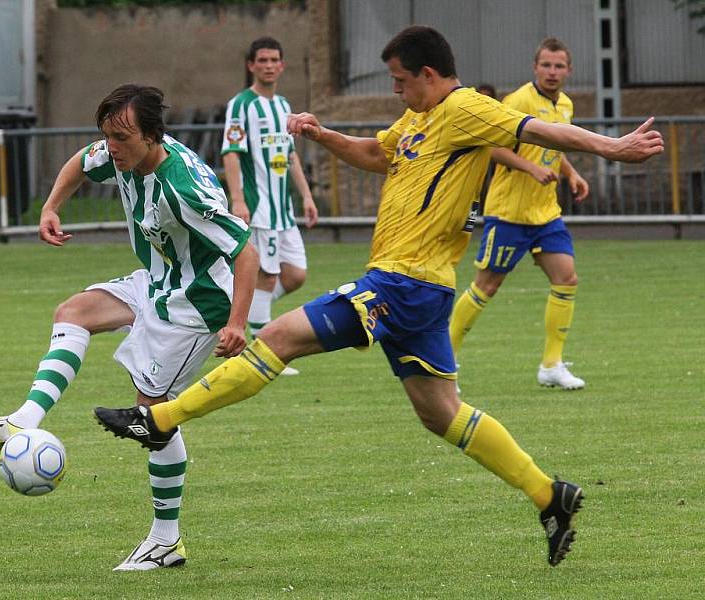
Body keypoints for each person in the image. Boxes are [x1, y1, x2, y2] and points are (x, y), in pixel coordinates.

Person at [94, 27, 663, 566]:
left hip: (403, 281)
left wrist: (615, 148)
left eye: (400, 80)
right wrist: (324, 137)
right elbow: (377, 154)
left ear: (430, 73)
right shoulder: (419, 120)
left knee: (280, 336)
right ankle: (548, 494)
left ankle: (161, 418)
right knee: (441, 413)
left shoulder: (464, 109)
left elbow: (539, 131)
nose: (395, 90)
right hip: (422, 287)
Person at [0, 84, 258, 571]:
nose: (111, 147)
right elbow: (82, 160)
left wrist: (238, 322)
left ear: (152, 136)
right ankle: (22, 421)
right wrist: (51, 206)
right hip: (157, 280)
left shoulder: (183, 188)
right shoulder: (122, 154)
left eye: (121, 138)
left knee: (152, 415)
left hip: (197, 304)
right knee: (72, 312)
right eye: (108, 136)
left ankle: (165, 541)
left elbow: (245, 251)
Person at [449, 38, 590, 390]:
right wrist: (529, 168)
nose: (552, 72)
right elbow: (491, 146)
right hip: (509, 213)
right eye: (546, 65)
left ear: (569, 70)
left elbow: (557, 142)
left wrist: (571, 173)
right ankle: (443, 357)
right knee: (487, 286)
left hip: (545, 214)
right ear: (534, 67)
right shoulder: (517, 102)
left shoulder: (566, 105)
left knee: (567, 279)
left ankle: (552, 365)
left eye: (559, 66)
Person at [222, 36, 319, 376]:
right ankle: (262, 351)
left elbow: (290, 155)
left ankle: (243, 312)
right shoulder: (241, 104)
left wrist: (305, 196)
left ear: (282, 65)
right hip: (258, 206)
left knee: (295, 274)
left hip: (283, 209)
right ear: (251, 65)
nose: (268, 65)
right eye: (261, 60)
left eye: (273, 60)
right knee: (267, 274)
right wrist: (237, 199)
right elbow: (231, 152)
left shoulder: (283, 106)